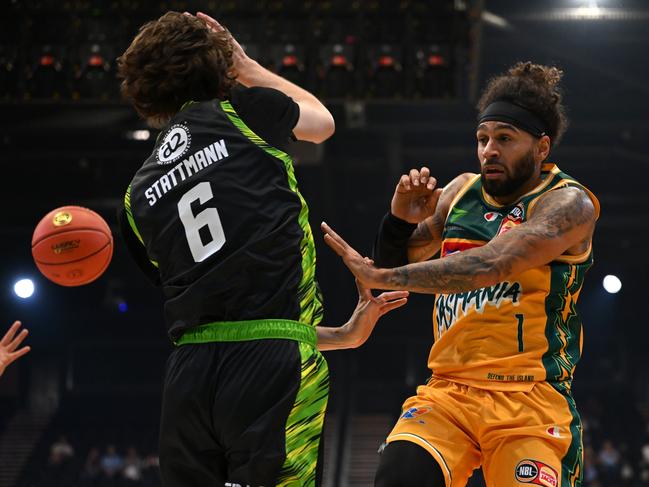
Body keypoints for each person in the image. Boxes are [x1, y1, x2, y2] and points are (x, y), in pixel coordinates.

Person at [116, 11, 407, 487]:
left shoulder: (136, 196)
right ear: (219, 66)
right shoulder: (246, 112)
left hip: (188, 376)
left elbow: (221, 320)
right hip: (274, 369)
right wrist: (246, 63)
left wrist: (341, 336)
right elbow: (323, 122)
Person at [321, 62, 599, 486]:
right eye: (483, 139)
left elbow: (493, 264)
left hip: (529, 399)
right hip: (449, 392)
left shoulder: (569, 204)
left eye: (505, 139)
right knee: (398, 474)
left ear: (542, 148)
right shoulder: (460, 192)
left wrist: (386, 278)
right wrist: (397, 219)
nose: (489, 150)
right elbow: (392, 265)